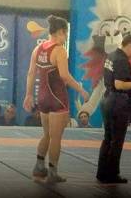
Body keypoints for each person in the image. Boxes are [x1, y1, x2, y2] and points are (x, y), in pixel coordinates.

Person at [23, 15, 89, 183]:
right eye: (65, 34)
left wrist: (29, 95)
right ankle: (52, 173)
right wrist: (81, 90)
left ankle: (39, 167)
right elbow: (65, 77)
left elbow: (31, 73)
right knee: (56, 137)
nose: (65, 37)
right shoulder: (59, 50)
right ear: (59, 32)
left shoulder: (38, 49)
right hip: (58, 99)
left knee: (46, 134)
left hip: (42, 98)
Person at [96, 33, 131, 184]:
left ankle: (102, 172)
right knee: (117, 141)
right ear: (130, 44)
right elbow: (119, 84)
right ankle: (112, 174)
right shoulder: (121, 60)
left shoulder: (111, 56)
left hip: (107, 100)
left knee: (108, 139)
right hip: (118, 102)